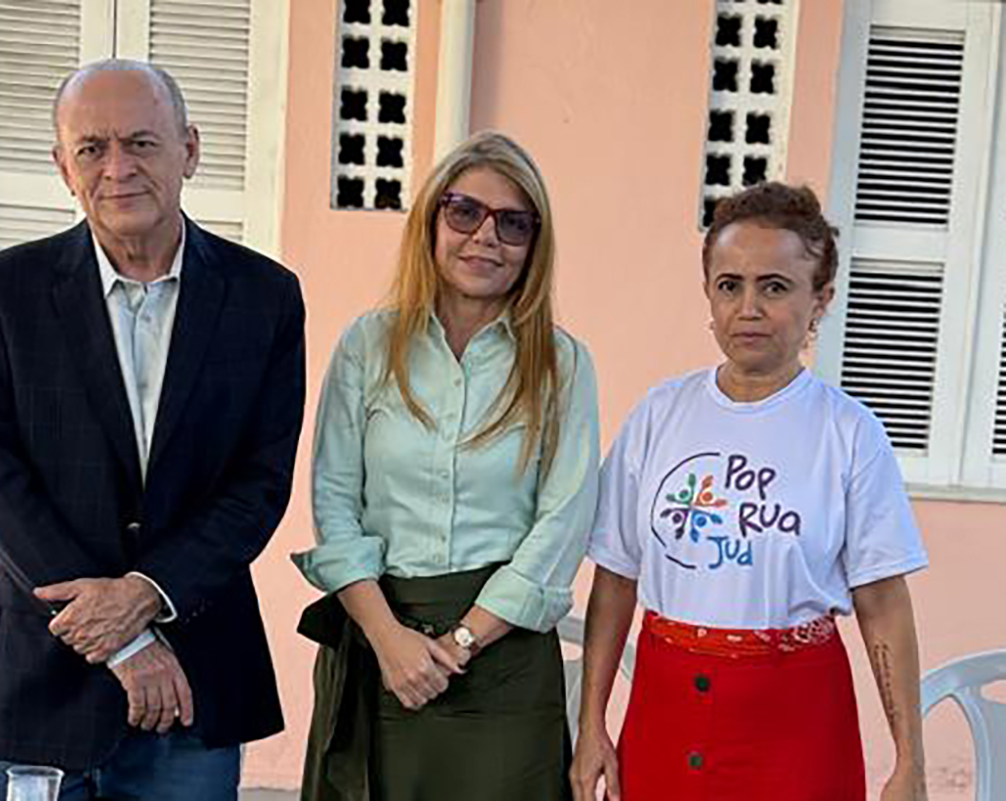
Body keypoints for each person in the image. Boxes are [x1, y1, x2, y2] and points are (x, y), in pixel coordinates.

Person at [0, 59, 305, 801]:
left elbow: (259, 482)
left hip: (192, 679)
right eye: (92, 148)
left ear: (190, 149)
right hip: (37, 682)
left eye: (142, 144)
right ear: (62, 166)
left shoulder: (265, 298)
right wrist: (120, 634)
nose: (117, 168)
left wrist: (150, 593)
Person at [571, 182, 929, 801]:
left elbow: (883, 603)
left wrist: (910, 762)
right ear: (709, 295)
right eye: (729, 285)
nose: (749, 308)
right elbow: (615, 580)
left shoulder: (847, 432)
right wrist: (591, 725)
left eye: (776, 286)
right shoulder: (660, 415)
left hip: (798, 723)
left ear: (821, 300)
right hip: (666, 713)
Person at [292, 131, 600, 801]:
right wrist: (389, 639)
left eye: (513, 223)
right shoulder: (367, 345)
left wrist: (460, 641)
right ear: (432, 219)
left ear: (534, 245)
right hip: (382, 648)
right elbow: (335, 503)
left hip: (504, 665)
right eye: (465, 212)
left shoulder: (562, 363)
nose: (486, 237)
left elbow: (562, 525)